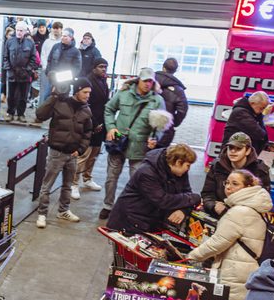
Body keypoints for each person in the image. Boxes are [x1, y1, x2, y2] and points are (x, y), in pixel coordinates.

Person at [188, 170, 273, 300]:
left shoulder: (239, 211)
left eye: (235, 183)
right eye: (227, 182)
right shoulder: (256, 204)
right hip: (248, 263)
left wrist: (191, 256)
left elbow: (217, 243)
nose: (228, 187)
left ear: (248, 186)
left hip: (237, 266)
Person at [98, 68, 165, 220]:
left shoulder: (157, 101)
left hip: (140, 146)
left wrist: (154, 138)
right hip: (118, 143)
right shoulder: (123, 94)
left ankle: (131, 208)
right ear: (138, 80)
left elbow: (160, 126)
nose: (148, 84)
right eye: (145, 80)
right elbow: (109, 109)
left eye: (151, 81)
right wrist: (111, 127)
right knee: (111, 176)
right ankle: (107, 205)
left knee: (138, 179)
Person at [34, 77, 93, 229]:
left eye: (89, 93)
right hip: (56, 153)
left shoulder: (86, 109)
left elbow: (87, 133)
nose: (88, 95)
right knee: (47, 186)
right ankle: (42, 214)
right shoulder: (59, 102)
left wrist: (80, 150)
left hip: (72, 155)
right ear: (78, 90)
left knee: (67, 186)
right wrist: (53, 96)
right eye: (85, 92)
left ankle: (63, 210)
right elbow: (40, 115)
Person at [107, 144, 200, 235]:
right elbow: (163, 200)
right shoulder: (147, 173)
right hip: (130, 221)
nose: (188, 169)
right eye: (188, 165)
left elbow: (187, 193)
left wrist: (183, 210)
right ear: (178, 162)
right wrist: (195, 198)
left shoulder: (179, 172)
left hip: (150, 221)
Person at [202, 133, 272, 217]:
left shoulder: (260, 170)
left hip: (245, 216)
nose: (233, 151)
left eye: (238, 148)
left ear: (248, 151)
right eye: (230, 148)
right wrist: (214, 206)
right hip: (217, 214)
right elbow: (207, 194)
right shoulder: (217, 166)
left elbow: (263, 200)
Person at [72, 58, 110, 197]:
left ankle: (87, 178)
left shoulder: (103, 81)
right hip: (89, 124)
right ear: (94, 68)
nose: (104, 69)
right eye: (101, 66)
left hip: (100, 124)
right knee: (83, 156)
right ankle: (73, 183)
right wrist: (94, 123)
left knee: (94, 154)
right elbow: (85, 105)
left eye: (105, 67)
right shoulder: (88, 81)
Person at [2, 21, 38, 122]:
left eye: (21, 30)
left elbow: (33, 58)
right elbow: (5, 57)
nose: (19, 32)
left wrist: (27, 70)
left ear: (25, 31)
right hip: (12, 73)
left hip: (25, 74)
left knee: (23, 96)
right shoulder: (9, 42)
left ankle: (21, 114)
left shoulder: (30, 43)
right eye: (17, 30)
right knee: (11, 96)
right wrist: (9, 69)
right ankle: (10, 113)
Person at [154, 58, 190, 148]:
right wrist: (173, 122)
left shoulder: (148, 81)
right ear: (175, 70)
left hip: (143, 126)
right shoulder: (179, 90)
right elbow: (183, 110)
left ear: (163, 67)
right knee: (158, 157)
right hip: (164, 129)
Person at [44, 28, 82, 92]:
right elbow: (49, 60)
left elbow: (76, 70)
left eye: (65, 36)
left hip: (64, 83)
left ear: (71, 38)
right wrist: (48, 72)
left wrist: (60, 77)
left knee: (60, 101)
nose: (62, 38)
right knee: (47, 98)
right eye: (62, 35)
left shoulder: (76, 52)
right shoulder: (56, 46)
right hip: (51, 80)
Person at [38, 21, 64, 101]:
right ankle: (41, 110)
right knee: (44, 92)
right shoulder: (47, 42)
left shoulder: (62, 42)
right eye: (54, 28)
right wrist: (45, 67)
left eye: (58, 28)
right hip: (47, 71)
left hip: (58, 72)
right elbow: (43, 55)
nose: (56, 30)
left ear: (61, 30)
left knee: (57, 92)